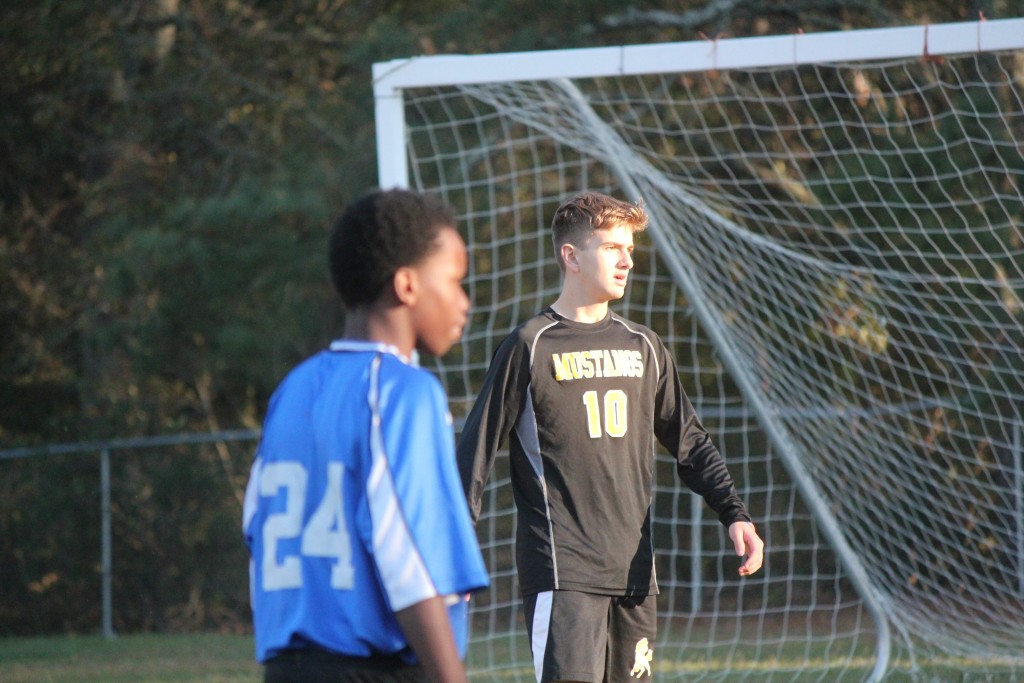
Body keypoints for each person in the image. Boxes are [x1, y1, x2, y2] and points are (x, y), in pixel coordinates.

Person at [457, 191, 764, 683]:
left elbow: (690, 443)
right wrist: (455, 547)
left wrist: (735, 514)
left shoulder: (644, 347)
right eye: (611, 248)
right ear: (571, 256)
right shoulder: (529, 345)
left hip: (636, 575)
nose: (626, 261)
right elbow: (473, 455)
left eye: (631, 250)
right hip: (562, 574)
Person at [243, 188, 490, 683]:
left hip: (286, 666)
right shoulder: (403, 392)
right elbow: (410, 561)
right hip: (372, 669)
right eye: (456, 282)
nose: (464, 303)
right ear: (406, 286)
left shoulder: (293, 389)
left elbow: (254, 522)